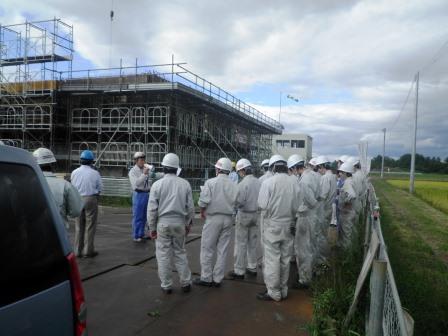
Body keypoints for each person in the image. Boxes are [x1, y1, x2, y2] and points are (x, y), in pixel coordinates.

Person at [147, 153, 194, 294]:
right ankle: (186, 282)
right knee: (180, 252)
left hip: (163, 224)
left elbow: (152, 209)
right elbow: (190, 208)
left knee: (163, 255)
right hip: (179, 223)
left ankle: (166, 285)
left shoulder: (157, 185)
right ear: (176, 168)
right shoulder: (185, 184)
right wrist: (188, 224)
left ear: (164, 167)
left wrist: (152, 227)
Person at [257, 155, 300, 301]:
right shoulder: (295, 183)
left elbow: (262, 205)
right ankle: (283, 289)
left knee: (272, 259)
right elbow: (297, 207)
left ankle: (274, 292)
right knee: (285, 259)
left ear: (273, 167)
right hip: (289, 224)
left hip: (273, 225)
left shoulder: (268, 183)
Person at [194, 157, 238, 287]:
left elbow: (203, 201)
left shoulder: (210, 182)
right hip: (228, 219)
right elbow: (237, 203)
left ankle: (206, 277)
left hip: (213, 218)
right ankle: (218, 278)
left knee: (207, 248)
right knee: (222, 249)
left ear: (218, 169)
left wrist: (202, 211)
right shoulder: (234, 185)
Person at [227, 158, 261, 280]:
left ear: (242, 171)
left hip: (244, 215)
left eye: (239, 171)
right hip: (256, 215)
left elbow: (239, 202)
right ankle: (252, 267)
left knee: (241, 243)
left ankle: (239, 270)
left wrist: (235, 205)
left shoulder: (242, 184)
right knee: (253, 243)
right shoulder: (259, 182)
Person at [33, 148, 83, 227]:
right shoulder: (65, 185)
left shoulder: (27, 184)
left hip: (33, 231)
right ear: (53, 165)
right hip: (58, 232)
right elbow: (75, 211)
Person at [287, 154, 316, 289]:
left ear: (294, 168)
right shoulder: (311, 175)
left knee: (302, 249)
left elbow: (310, 201)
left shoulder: (303, 181)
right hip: (311, 216)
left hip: (305, 217)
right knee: (309, 247)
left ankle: (304, 280)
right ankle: (309, 274)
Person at [71, 150, 103, 258]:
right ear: (91, 161)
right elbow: (100, 189)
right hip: (90, 198)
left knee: (78, 226)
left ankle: (77, 251)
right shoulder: (95, 173)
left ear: (81, 160)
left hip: (77, 198)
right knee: (90, 226)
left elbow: (72, 186)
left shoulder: (74, 172)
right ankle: (88, 251)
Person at [128, 152, 162, 242]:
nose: (143, 161)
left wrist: (164, 174)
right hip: (138, 194)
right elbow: (136, 184)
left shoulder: (145, 169)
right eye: (141, 160)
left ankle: (142, 233)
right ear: (136, 161)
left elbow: (154, 175)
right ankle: (136, 235)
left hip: (147, 194)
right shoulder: (132, 171)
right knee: (138, 215)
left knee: (145, 216)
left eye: (144, 160)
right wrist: (144, 174)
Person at [315, 155, 337, 265]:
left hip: (324, 209)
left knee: (321, 235)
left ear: (323, 166)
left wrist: (314, 198)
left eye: (319, 168)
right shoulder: (333, 176)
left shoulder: (325, 178)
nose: (319, 170)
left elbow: (322, 195)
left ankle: (322, 260)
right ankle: (323, 258)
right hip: (329, 208)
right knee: (324, 233)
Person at [337, 162, 357, 249]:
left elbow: (353, 195)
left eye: (341, 172)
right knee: (347, 233)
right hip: (349, 212)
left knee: (346, 235)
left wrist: (345, 202)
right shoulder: (350, 181)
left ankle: (347, 254)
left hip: (346, 213)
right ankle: (346, 251)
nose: (339, 174)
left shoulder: (347, 183)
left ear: (346, 173)